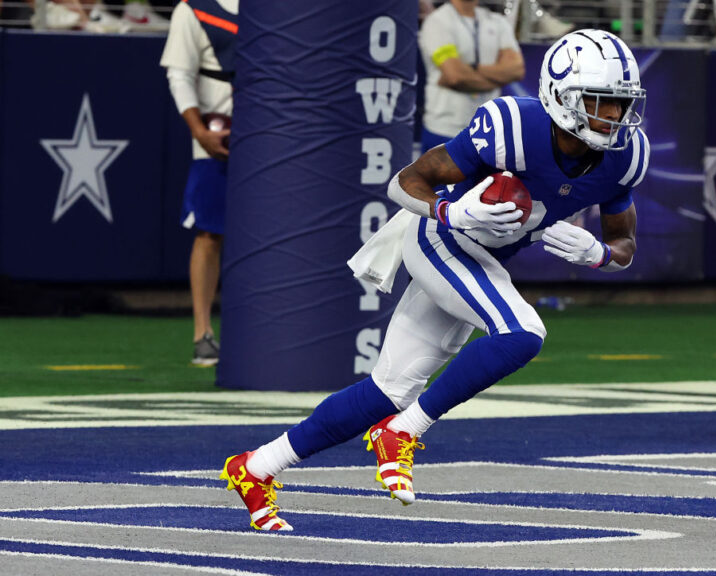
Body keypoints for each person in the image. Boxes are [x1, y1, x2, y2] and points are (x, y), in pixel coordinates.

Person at [220, 29, 648, 531]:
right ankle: (403, 433)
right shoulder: (512, 125)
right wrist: (452, 210)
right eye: (599, 102)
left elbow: (625, 246)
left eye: (620, 104)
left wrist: (599, 254)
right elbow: (404, 181)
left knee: (388, 390)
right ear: (561, 95)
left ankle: (256, 466)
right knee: (523, 332)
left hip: (481, 259)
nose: (612, 117)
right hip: (441, 238)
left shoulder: (626, 156)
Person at [160, 0, 237, 366]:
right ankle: (202, 332)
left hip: (273, 138)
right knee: (210, 232)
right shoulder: (194, 9)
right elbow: (179, 74)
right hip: (218, 135)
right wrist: (199, 132)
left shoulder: (276, 8)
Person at [418, 0, 525, 153]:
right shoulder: (438, 21)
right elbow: (455, 76)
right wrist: (498, 78)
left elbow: (517, 70)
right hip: (445, 130)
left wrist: (471, 69)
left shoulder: (497, 22)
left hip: (488, 132)